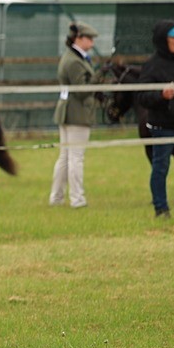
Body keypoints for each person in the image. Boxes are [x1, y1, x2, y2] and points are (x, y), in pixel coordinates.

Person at [49, 22, 98, 208]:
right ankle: (77, 199)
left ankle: (57, 197)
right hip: (76, 113)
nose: (92, 42)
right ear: (78, 39)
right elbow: (82, 91)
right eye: (89, 39)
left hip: (68, 111)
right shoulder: (75, 61)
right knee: (76, 157)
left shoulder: (72, 57)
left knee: (65, 157)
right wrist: (97, 80)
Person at [136, 20, 174, 217]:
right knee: (160, 167)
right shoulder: (151, 65)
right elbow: (142, 96)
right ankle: (161, 209)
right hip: (162, 125)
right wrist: (161, 95)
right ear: (164, 40)